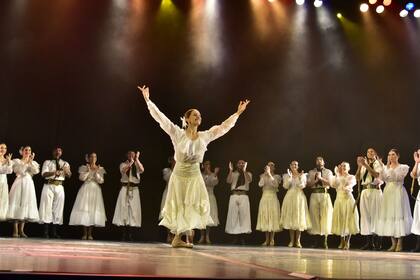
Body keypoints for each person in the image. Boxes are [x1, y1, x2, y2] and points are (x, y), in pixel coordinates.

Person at [138, 85, 250, 248]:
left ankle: (180, 238)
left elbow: (223, 127)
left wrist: (238, 113)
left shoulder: (205, 136)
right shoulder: (177, 133)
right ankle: (177, 238)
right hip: (179, 173)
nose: (198, 116)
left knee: (193, 203)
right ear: (187, 119)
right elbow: (160, 118)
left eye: (200, 115)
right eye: (195, 115)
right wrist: (148, 100)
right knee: (179, 203)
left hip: (194, 174)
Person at [376, 149, 412, 252]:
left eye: (393, 154)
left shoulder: (403, 167)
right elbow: (382, 179)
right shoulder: (385, 167)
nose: (391, 156)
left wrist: (388, 168)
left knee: (398, 214)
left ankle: (400, 243)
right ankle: (393, 243)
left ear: (397, 156)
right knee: (389, 215)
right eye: (389, 154)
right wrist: (384, 167)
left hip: (398, 190)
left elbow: (398, 177)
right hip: (388, 191)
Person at [69, 152, 107, 240]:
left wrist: (96, 172)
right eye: (91, 157)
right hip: (86, 189)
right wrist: (88, 171)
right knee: (85, 210)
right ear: (88, 158)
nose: (93, 158)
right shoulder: (84, 167)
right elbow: (81, 178)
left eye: (95, 157)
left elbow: (101, 181)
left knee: (93, 210)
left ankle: (90, 234)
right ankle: (84, 233)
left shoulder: (100, 168)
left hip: (95, 190)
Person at [38, 147, 71, 238]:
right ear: (53, 152)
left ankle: (54, 232)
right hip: (49, 185)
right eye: (56, 150)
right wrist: (54, 173)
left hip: (59, 186)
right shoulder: (47, 162)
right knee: (46, 207)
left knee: (57, 209)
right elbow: (44, 174)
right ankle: (45, 232)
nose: (58, 152)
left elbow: (69, 175)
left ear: (61, 152)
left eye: (59, 150)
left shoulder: (65, 163)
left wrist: (66, 171)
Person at [7, 146, 40, 238]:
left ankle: (21, 230)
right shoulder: (17, 161)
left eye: (29, 150)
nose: (28, 151)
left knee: (25, 204)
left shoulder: (33, 162)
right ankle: (15, 230)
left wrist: (30, 162)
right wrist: (26, 163)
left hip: (28, 184)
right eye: (26, 150)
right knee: (17, 203)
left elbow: (36, 171)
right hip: (19, 182)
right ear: (22, 151)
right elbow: (20, 171)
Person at [112, 151, 145, 241]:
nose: (132, 156)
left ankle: (130, 234)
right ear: (127, 156)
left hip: (134, 189)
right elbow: (124, 171)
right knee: (124, 209)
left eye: (133, 155)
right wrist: (130, 163)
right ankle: (123, 233)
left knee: (133, 210)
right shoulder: (123, 164)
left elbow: (142, 170)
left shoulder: (137, 165)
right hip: (125, 188)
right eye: (130, 155)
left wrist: (137, 160)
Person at [355, 148, 383, 250]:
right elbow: (357, 178)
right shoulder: (363, 165)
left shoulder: (378, 164)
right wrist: (359, 167)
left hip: (375, 190)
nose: (369, 153)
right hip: (365, 191)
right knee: (366, 216)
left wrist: (366, 165)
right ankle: (369, 242)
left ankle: (378, 242)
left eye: (372, 152)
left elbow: (376, 175)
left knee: (376, 215)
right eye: (367, 152)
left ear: (375, 153)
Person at [280, 161, 311, 248]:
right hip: (290, 196)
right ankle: (291, 240)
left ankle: (298, 241)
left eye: (296, 165)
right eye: (293, 164)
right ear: (290, 166)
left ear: (298, 166)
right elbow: (285, 186)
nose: (294, 166)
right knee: (291, 218)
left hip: (299, 197)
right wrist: (290, 177)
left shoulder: (302, 175)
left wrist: (301, 178)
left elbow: (302, 186)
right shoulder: (286, 175)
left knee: (299, 218)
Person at [331, 162, 360, 250]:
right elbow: (333, 185)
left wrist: (345, 187)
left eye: (345, 166)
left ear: (348, 168)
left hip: (348, 199)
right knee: (341, 219)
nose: (343, 167)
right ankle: (342, 241)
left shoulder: (351, 177)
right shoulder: (337, 176)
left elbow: (350, 186)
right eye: (342, 166)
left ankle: (347, 241)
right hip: (339, 199)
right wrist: (337, 175)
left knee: (348, 219)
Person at [307, 156, 334, 249]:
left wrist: (320, 178)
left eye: (321, 160)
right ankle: (316, 241)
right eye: (317, 160)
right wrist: (315, 180)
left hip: (324, 193)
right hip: (314, 193)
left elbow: (330, 183)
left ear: (324, 162)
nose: (319, 161)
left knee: (325, 216)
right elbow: (308, 184)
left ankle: (324, 241)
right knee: (314, 216)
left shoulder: (328, 171)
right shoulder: (311, 172)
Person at [225, 160, 253, 245]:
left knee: (244, 217)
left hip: (244, 195)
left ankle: (242, 237)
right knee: (234, 216)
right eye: (240, 163)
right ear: (237, 165)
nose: (241, 164)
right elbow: (228, 181)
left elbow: (249, 180)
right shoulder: (233, 173)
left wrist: (244, 171)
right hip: (234, 195)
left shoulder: (248, 173)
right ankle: (235, 237)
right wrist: (230, 170)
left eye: (243, 163)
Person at [256, 162, 282, 246]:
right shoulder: (262, 176)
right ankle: (267, 239)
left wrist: (270, 174)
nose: (269, 167)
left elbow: (276, 185)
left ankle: (272, 239)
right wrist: (264, 175)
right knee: (266, 217)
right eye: (268, 165)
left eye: (271, 165)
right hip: (265, 197)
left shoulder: (277, 176)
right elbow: (260, 184)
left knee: (273, 217)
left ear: (274, 168)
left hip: (273, 197)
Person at [198, 160, 220, 245]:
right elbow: (200, 184)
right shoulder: (200, 175)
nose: (207, 166)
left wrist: (214, 174)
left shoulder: (213, 174)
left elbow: (214, 183)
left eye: (208, 164)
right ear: (203, 165)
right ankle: (202, 236)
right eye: (205, 164)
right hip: (202, 197)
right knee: (202, 217)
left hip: (210, 196)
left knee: (209, 216)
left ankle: (207, 236)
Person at [160, 157, 175, 243]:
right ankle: (169, 234)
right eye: (173, 160)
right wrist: (173, 168)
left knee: (175, 214)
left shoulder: (179, 171)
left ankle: (174, 235)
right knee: (167, 214)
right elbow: (168, 179)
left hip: (176, 194)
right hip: (168, 193)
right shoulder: (166, 170)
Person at [0, 143, 12, 221]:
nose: (3, 149)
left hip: (3, 181)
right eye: (1, 148)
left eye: (5, 148)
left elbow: (10, 171)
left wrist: (9, 162)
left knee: (2, 201)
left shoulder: (6, 159)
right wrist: (5, 164)